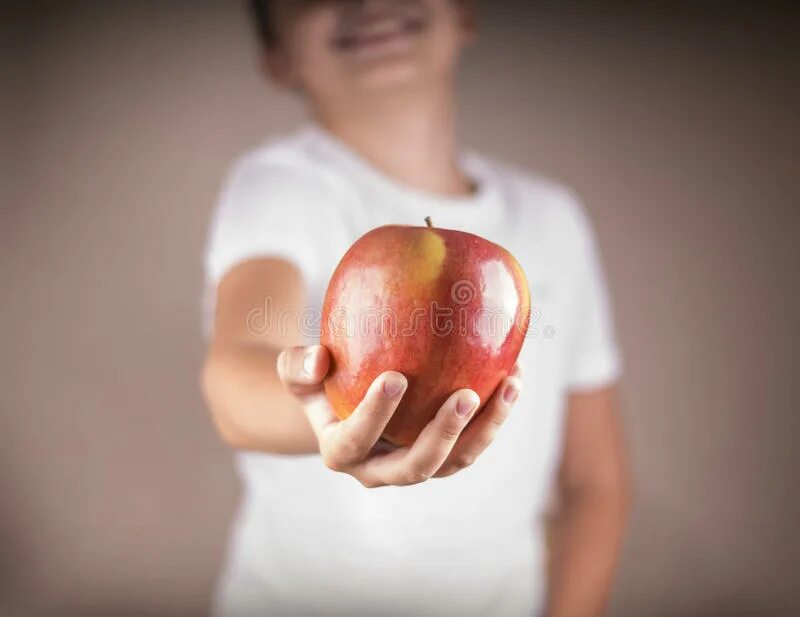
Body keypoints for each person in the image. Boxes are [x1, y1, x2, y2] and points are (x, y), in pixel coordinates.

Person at [201, 1, 630, 615]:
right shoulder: (278, 185)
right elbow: (236, 373)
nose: (366, 3)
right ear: (276, 57)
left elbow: (595, 481)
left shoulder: (550, 218)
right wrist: (335, 421)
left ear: (466, 15)